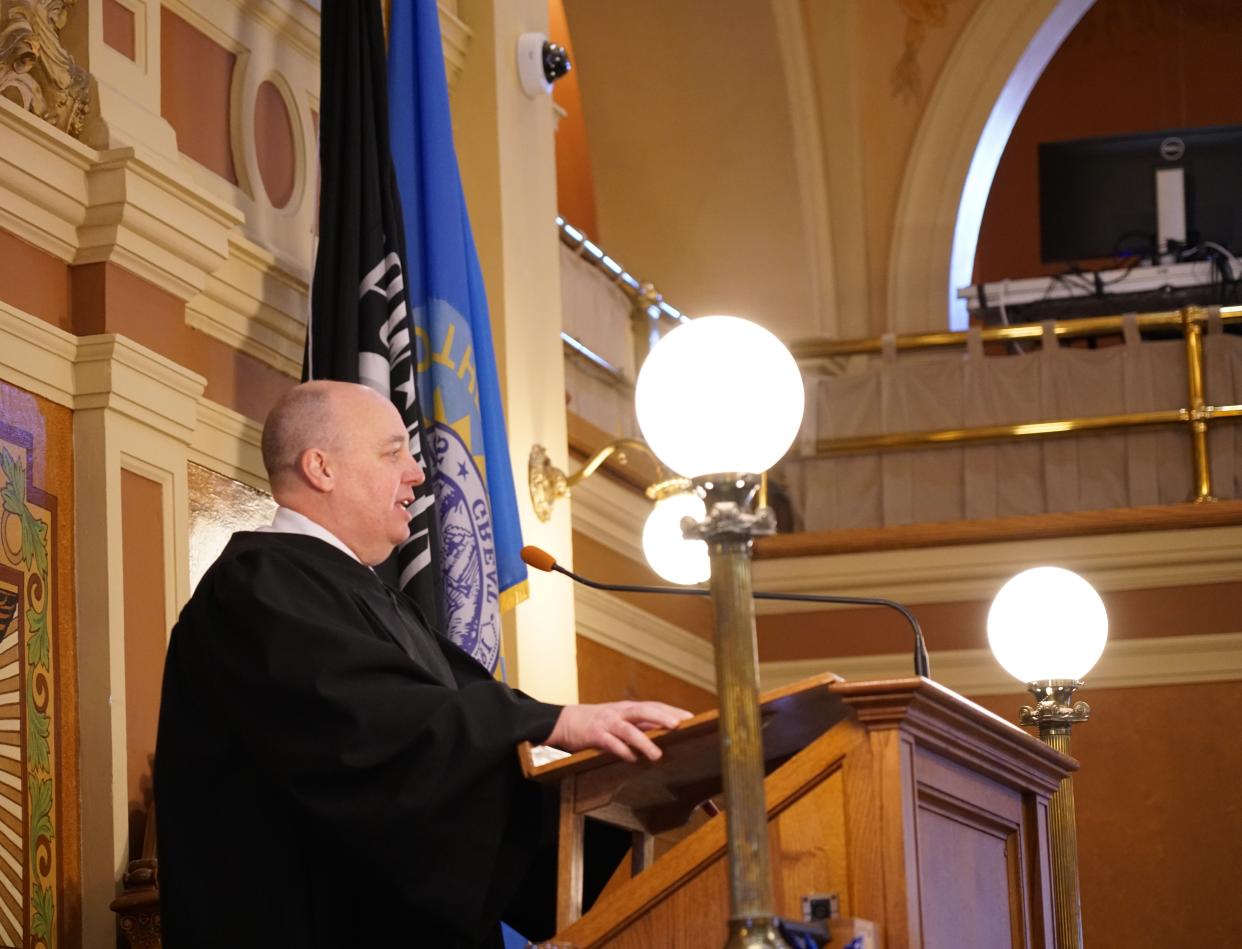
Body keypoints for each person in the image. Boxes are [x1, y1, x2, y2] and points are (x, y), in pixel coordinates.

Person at [154, 380, 691, 948]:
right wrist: (551, 725)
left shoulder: (364, 598)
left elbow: (455, 717)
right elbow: (377, 727)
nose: (417, 473)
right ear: (321, 468)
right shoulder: (257, 588)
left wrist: (622, 770)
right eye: (392, 453)